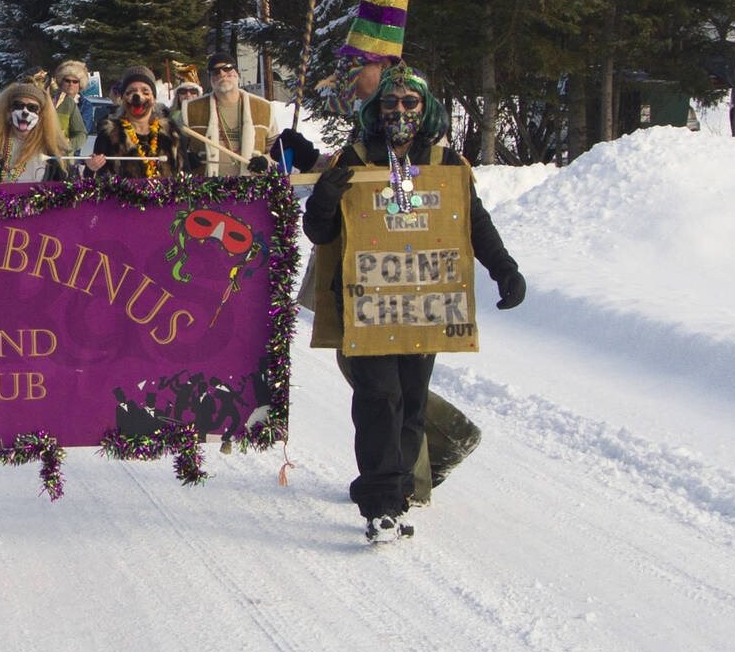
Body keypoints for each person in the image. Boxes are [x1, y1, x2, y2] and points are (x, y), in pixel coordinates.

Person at [301, 64, 523, 540]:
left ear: (426, 110)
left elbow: (474, 224)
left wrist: (505, 269)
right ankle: (380, 502)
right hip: (366, 304)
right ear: (376, 110)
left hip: (425, 302)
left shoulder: (446, 164)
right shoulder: (356, 158)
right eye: (390, 103)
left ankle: (399, 491)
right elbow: (320, 233)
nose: (399, 111)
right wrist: (323, 199)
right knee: (379, 398)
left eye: (409, 103)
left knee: (411, 401)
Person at [183, 55, 277, 176]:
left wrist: (266, 161)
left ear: (238, 75)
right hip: (206, 189)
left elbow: (277, 153)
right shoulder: (191, 109)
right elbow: (174, 149)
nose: (222, 74)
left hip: (252, 189)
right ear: (210, 78)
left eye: (227, 69)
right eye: (215, 72)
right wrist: (185, 158)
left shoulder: (264, 108)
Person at [86, 66, 185, 178]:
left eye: (145, 92)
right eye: (131, 92)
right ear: (122, 98)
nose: (138, 97)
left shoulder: (171, 133)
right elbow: (94, 181)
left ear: (153, 98)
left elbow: (186, 175)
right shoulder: (109, 134)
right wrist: (91, 168)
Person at [50, 60, 91, 154]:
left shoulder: (85, 105)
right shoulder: (51, 101)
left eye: (75, 81)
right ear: (61, 82)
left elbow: (83, 130)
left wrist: (66, 145)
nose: (71, 84)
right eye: (67, 80)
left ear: (80, 84)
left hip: (72, 154)